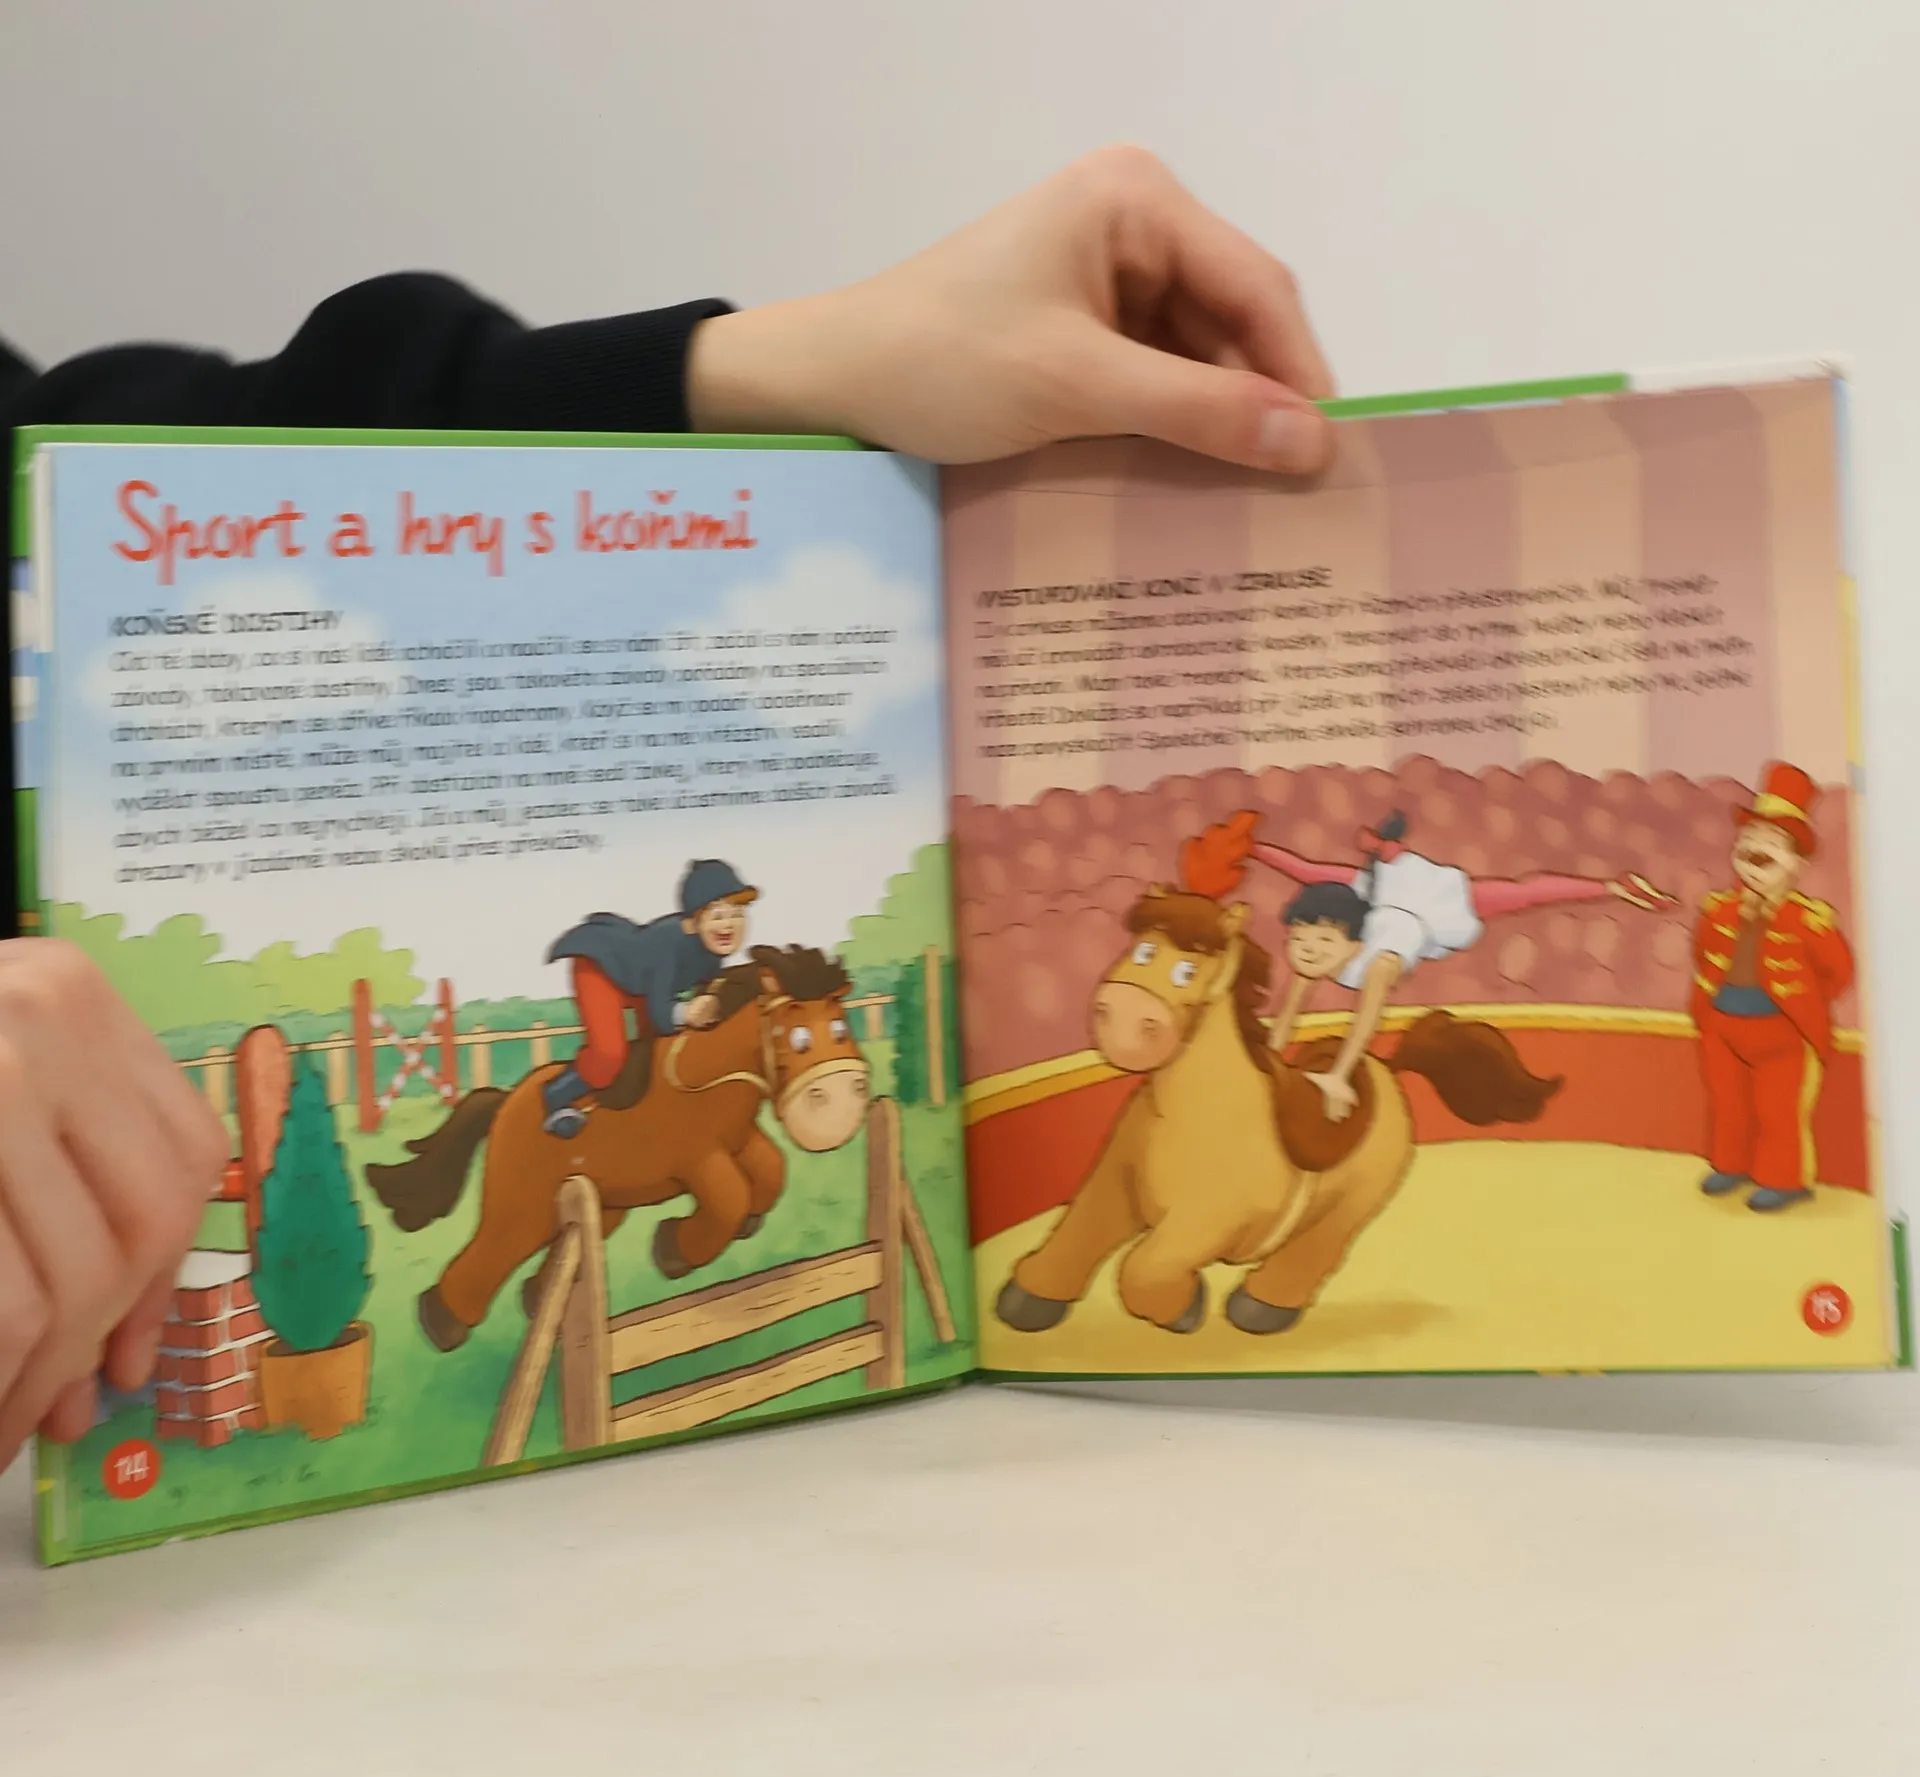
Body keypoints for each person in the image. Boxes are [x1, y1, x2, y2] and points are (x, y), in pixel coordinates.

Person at [0, 147, 1339, 1469]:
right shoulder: (659, 947)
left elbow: (194, 446)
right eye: (728, 914)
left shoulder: (709, 953)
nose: (735, 926)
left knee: (691, 1081)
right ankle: (494, 1247)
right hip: (603, 989)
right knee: (612, 1067)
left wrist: (756, 368)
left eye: (739, 916)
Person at [1241, 809, 1671, 1120]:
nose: (1307, 951)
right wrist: (1269, 1062)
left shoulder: (1381, 961)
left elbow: (1365, 1022)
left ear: (1352, 941)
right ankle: (1366, 852)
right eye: (1299, 939)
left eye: (1318, 942)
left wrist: (1339, 1076)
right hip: (1382, 892)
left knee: (1522, 895)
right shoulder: (1317, 948)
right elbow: (1288, 1013)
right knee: (1312, 875)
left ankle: (1613, 887)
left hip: (1431, 911)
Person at [1691, 763, 1853, 1212]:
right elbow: (1703, 955)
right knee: (1728, 1102)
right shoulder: (1718, 910)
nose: (1755, 851)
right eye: (1749, 839)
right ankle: (1730, 1165)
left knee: (1778, 1109)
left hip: (1782, 1032)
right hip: (1723, 1026)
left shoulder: (1809, 920)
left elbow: (1838, 972)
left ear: (1796, 863)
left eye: (1771, 843)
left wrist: (1799, 1002)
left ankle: (1784, 1180)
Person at [541, 859, 758, 1137]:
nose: (728, 925)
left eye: (738, 915)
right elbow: (660, 1013)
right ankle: (557, 1096)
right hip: (602, 970)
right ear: (693, 922)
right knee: (609, 1054)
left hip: (642, 983)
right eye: (718, 916)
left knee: (653, 1050)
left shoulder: (712, 953)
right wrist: (687, 1012)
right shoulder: (669, 943)